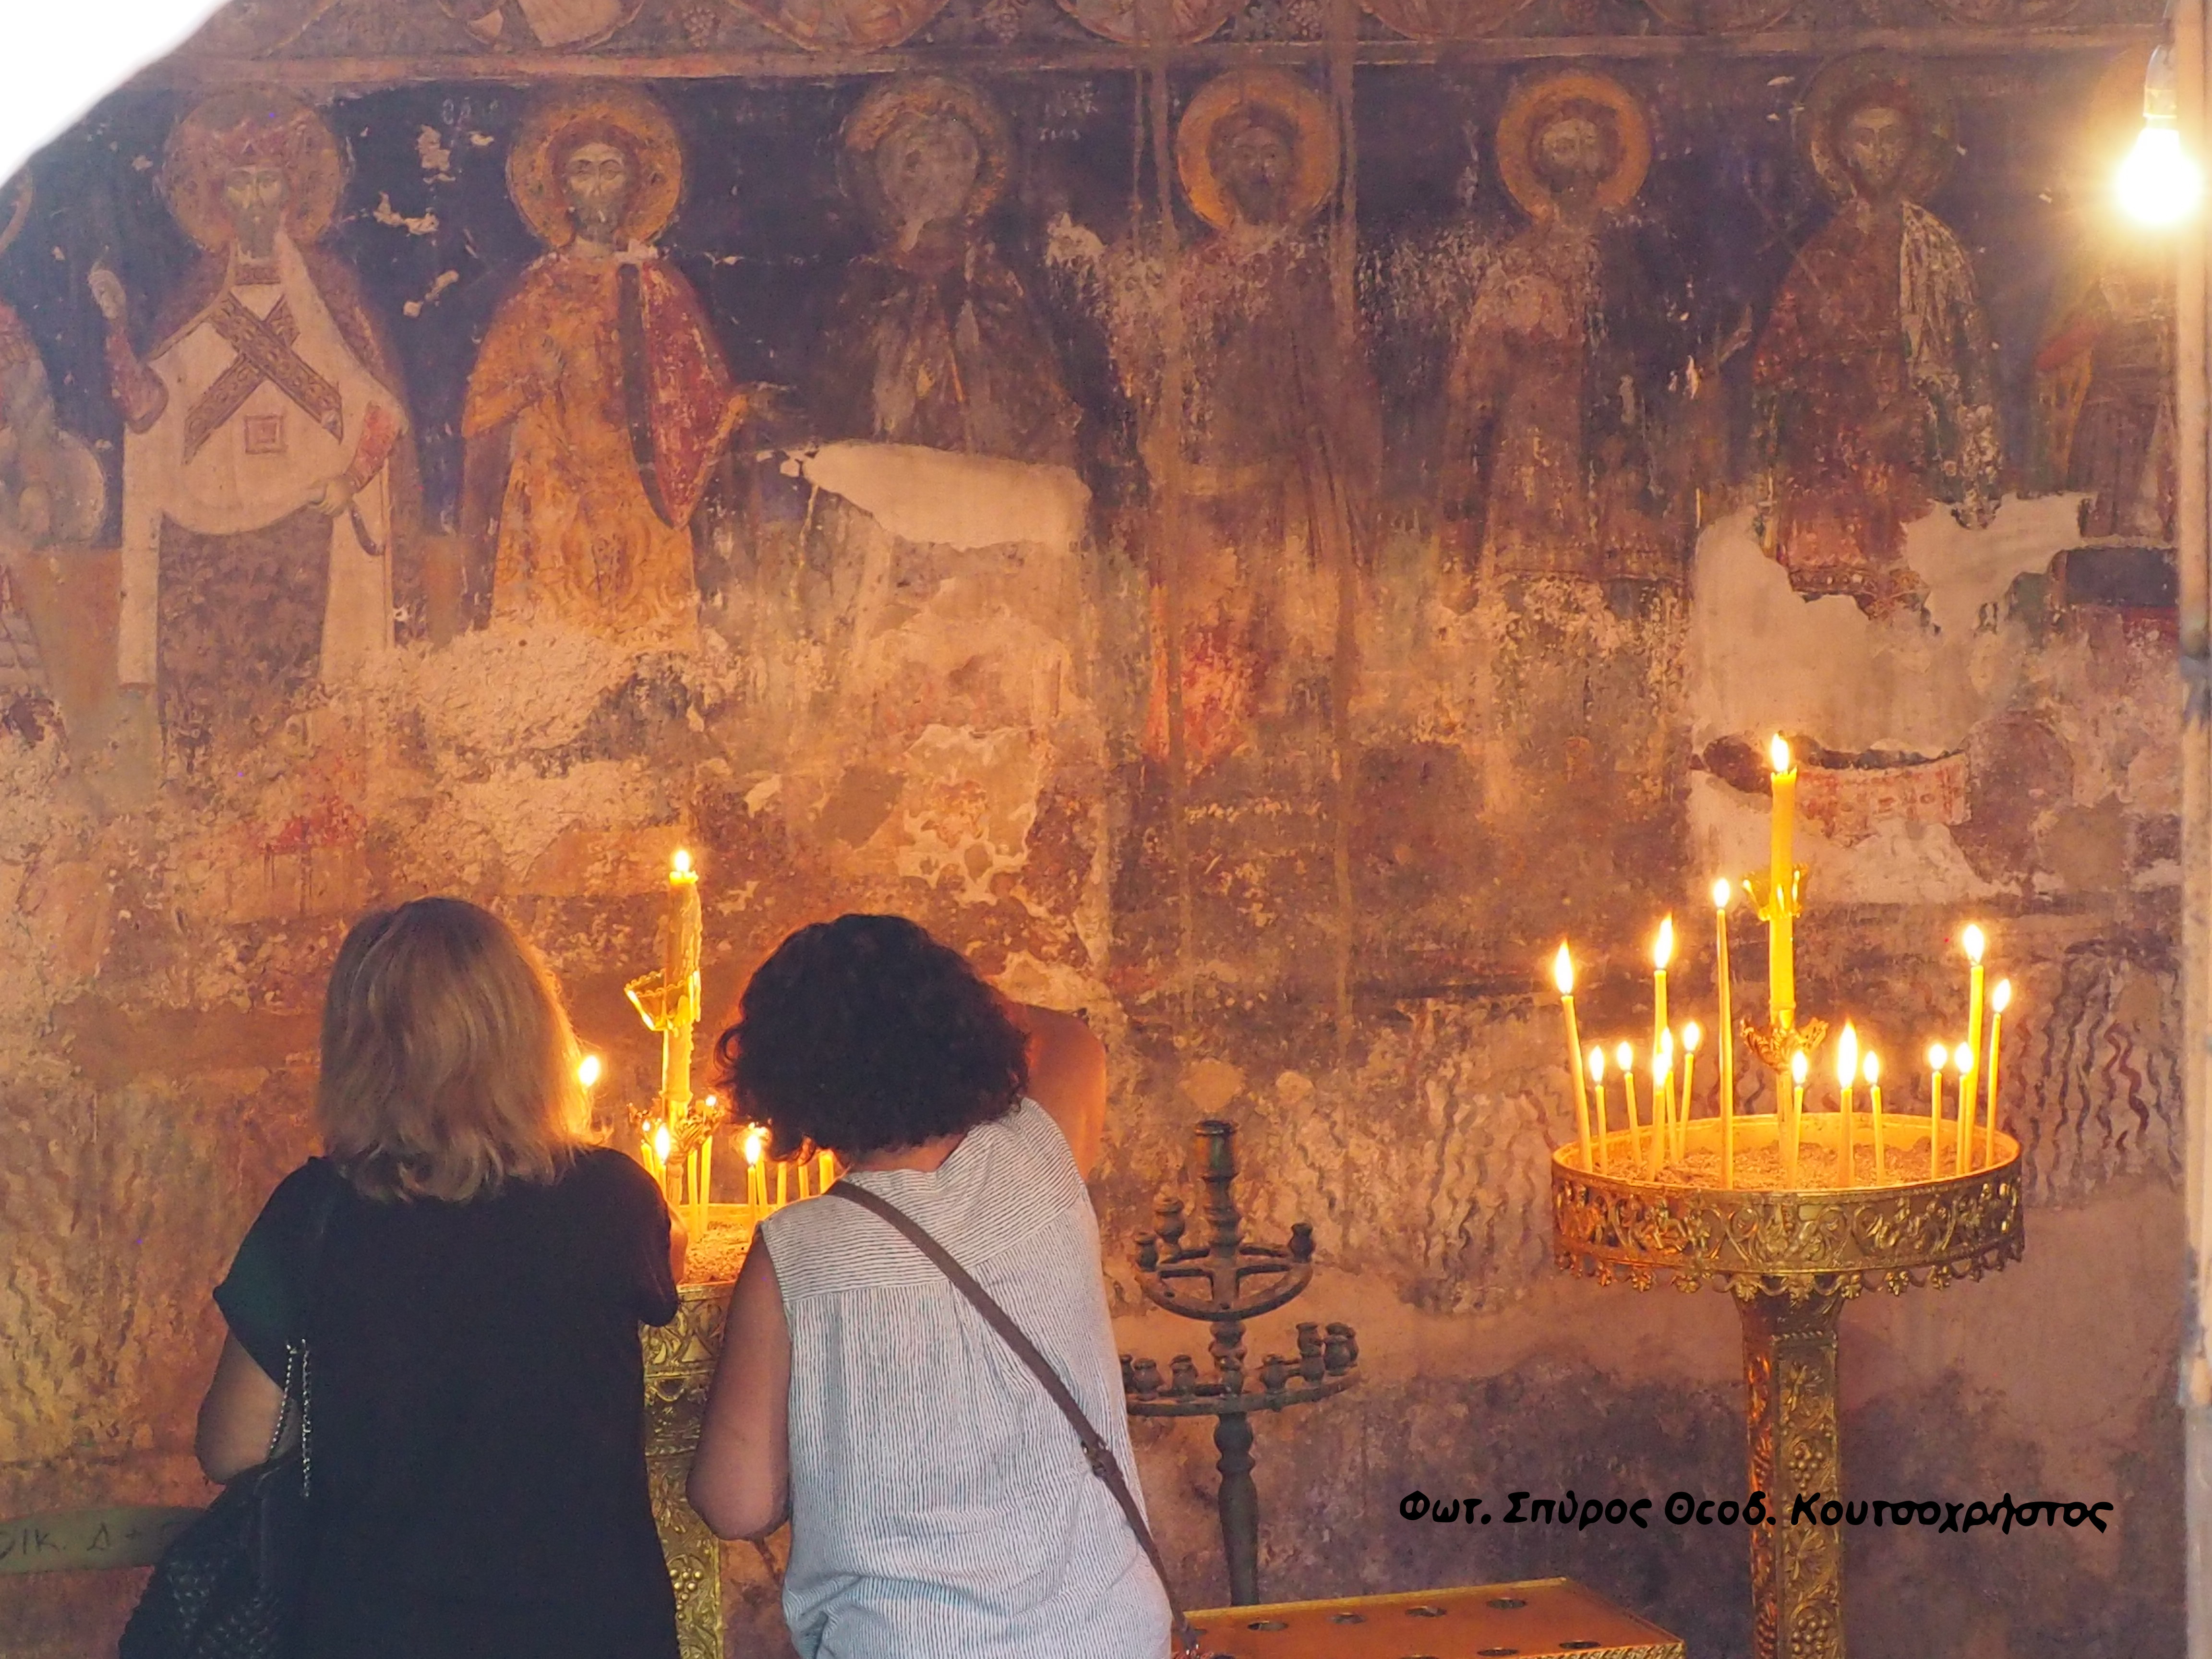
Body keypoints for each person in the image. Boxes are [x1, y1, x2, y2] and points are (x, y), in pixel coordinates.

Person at [193, 897, 686, 1659]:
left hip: (378, 1626)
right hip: (589, 1624)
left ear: (360, 1049)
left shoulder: (313, 1212)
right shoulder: (614, 1197)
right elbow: (655, 1294)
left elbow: (233, 1448)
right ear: (531, 1032)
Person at [687, 914, 1168, 1658]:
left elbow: (735, 1502)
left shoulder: (800, 1250)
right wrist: (938, 992)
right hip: (1105, 1633)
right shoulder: (1040, 1156)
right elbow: (1073, 1041)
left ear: (785, 1076)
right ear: (962, 1031)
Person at [90, 91, 419, 755]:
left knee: (295, 698)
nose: (256, 200)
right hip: (203, 525)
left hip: (305, 521)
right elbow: (152, 411)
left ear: (292, 194)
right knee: (210, 700)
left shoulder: (330, 291)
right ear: (219, 200)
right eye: (240, 185)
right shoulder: (194, 296)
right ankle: (211, 818)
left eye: (268, 182)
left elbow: (380, 404)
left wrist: (351, 478)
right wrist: (118, 333)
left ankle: (295, 814)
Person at [461, 86, 745, 644]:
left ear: (635, 184)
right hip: (556, 489)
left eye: (610, 170)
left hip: (642, 484)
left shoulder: (660, 285)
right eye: (582, 171)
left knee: (649, 643)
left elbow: (704, 393)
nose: (596, 185)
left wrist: (737, 406)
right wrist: (533, 382)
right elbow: (480, 410)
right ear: (561, 188)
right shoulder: (536, 292)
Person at [1751, 54, 2002, 616]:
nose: (1879, 152)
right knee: (1833, 602)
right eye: (1864, 138)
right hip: (1831, 444)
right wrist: (1824, 345)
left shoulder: (1934, 248)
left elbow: (1968, 358)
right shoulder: (1823, 249)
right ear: (1840, 151)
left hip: (1911, 441)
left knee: (1915, 595)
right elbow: (1775, 359)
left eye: (1891, 138)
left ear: (1914, 148)